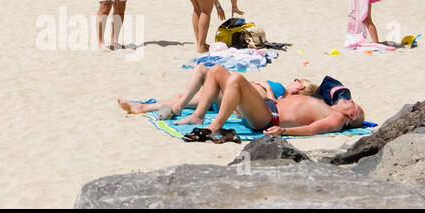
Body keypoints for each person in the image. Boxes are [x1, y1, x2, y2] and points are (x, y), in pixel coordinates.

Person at [202, 66, 364, 141]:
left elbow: (311, 130)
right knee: (217, 70)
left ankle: (215, 126)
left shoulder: (337, 117)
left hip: (267, 118)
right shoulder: (325, 106)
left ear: (352, 115)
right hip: (265, 107)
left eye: (352, 103)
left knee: (237, 79)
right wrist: (269, 92)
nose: (348, 99)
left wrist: (284, 131)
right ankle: (197, 116)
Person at [118, 70, 319, 122]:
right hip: (228, 96)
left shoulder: (285, 97)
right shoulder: (282, 90)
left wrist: (266, 88)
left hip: (234, 97)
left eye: (297, 79)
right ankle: (144, 108)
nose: (293, 80)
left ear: (300, 85)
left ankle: (156, 108)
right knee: (182, 96)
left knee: (202, 79)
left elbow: (273, 109)